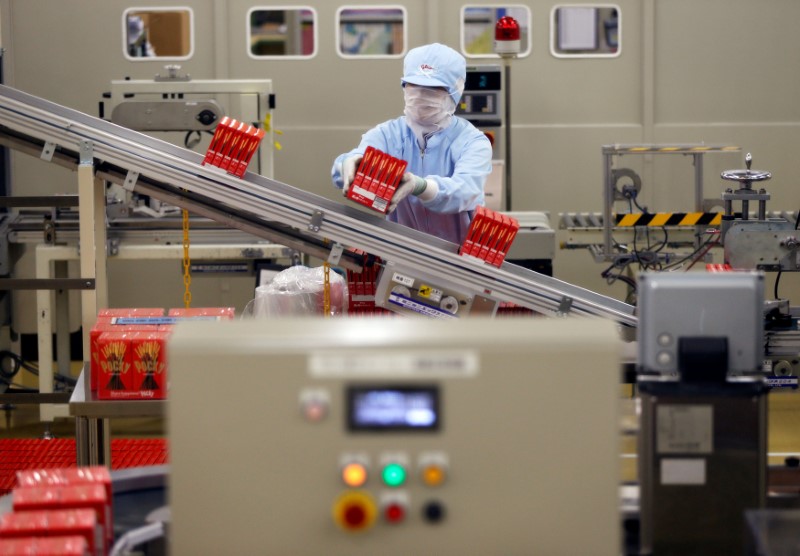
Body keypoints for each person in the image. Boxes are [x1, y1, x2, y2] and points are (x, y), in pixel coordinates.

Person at [331, 43, 493, 244]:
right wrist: (349, 163)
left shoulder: (471, 141)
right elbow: (350, 164)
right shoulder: (388, 134)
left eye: (433, 89)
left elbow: (466, 190)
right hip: (402, 253)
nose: (420, 95)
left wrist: (420, 186)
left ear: (455, 92)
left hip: (457, 258)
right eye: (414, 87)